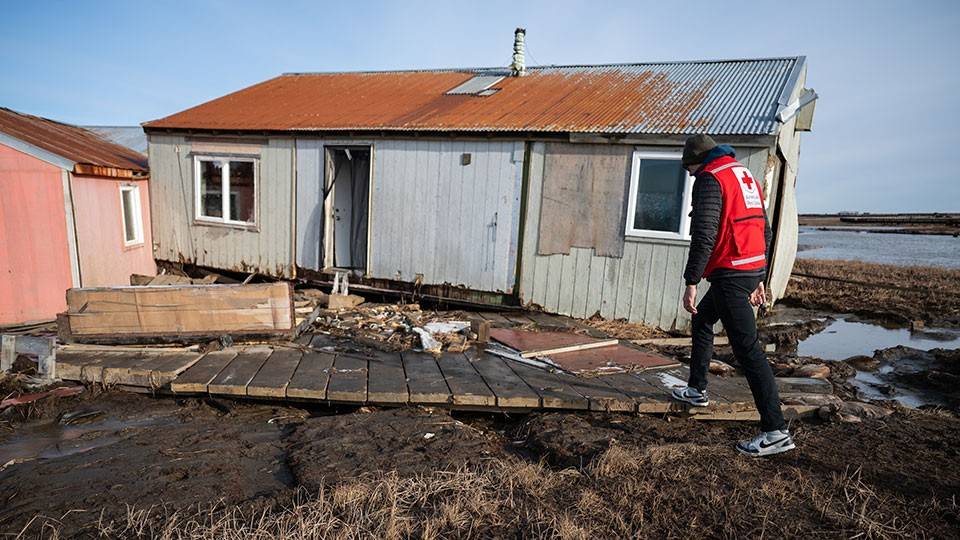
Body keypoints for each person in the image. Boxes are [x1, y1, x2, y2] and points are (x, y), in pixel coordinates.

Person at [671, 134, 795, 457]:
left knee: (749, 350)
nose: (689, 174)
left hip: (730, 275)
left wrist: (691, 281)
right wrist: (760, 277)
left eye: (689, 168)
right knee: (702, 320)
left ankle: (775, 431)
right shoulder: (743, 175)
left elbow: (705, 233)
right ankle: (697, 389)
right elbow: (763, 229)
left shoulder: (710, 179)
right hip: (747, 270)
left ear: (698, 162)